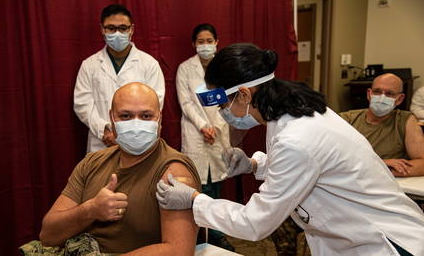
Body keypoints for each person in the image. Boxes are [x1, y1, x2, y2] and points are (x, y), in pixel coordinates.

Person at [156, 43, 424, 256]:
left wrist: (194, 200)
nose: (223, 113)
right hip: (355, 237)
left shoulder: (298, 137)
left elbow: (254, 223)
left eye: (223, 104)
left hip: (387, 243)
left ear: (245, 94)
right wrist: (255, 165)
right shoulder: (291, 113)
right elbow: (309, 167)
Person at [32, 83, 200, 255]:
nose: (136, 125)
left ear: (160, 118)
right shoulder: (93, 163)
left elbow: (179, 251)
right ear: (111, 118)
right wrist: (90, 210)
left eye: (146, 116)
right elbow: (48, 235)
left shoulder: (173, 171)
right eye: (125, 116)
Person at [74, 4, 165, 153]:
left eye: (123, 28)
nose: (117, 33)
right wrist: (105, 131)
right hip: (102, 141)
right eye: (111, 28)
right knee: (102, 176)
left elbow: (155, 103)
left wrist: (126, 132)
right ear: (102, 29)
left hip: (139, 139)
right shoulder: (89, 65)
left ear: (132, 30)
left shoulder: (149, 64)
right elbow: (82, 104)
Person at [176, 23, 233, 251]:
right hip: (195, 132)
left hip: (220, 131)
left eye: (209, 41)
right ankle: (198, 233)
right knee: (198, 183)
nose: (205, 45)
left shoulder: (225, 68)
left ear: (217, 42)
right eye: (200, 41)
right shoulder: (185, 68)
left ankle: (216, 233)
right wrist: (203, 127)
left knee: (216, 184)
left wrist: (216, 128)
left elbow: (230, 100)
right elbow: (186, 102)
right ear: (194, 44)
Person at [340, 73, 424, 177]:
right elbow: (335, 159)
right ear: (369, 94)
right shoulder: (347, 119)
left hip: (386, 186)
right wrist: (383, 163)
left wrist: (375, 171)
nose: (381, 97)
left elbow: (422, 164)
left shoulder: (405, 121)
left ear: (399, 99)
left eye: (389, 93)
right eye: (377, 92)